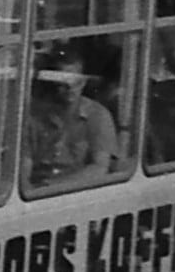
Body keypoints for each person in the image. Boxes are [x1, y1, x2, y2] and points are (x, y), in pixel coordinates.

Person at [25, 60, 120, 192]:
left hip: (79, 194)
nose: (70, 88)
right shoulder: (34, 116)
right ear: (52, 82)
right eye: (64, 83)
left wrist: (52, 187)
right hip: (37, 192)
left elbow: (99, 168)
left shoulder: (98, 115)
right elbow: (24, 167)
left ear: (84, 82)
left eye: (76, 82)